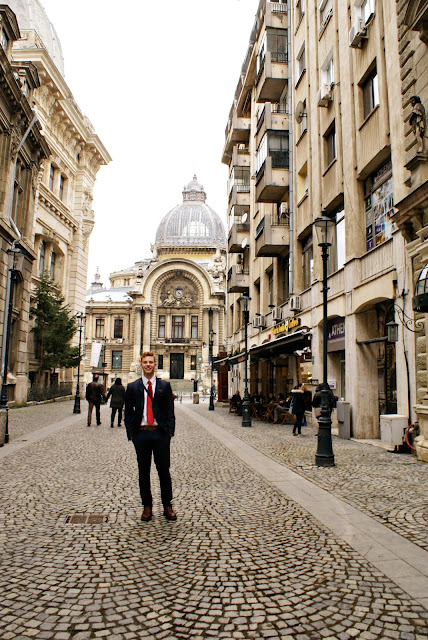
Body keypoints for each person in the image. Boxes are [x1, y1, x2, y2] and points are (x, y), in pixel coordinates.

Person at [125, 351, 176, 522]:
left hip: (160, 433)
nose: (148, 365)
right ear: (141, 364)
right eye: (145, 362)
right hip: (141, 433)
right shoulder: (133, 387)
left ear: (155, 364)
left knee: (164, 471)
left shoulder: (164, 386)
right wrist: (132, 434)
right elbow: (128, 412)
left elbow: (170, 411)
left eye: (150, 362)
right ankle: (147, 506)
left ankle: (167, 505)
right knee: (143, 471)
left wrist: (169, 432)